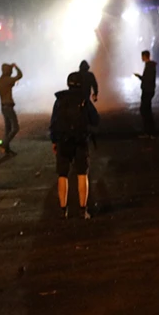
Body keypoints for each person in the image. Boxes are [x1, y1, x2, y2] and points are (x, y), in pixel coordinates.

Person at [49, 72, 99, 219]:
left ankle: (63, 209)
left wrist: (54, 141)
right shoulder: (84, 100)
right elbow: (96, 120)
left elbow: (53, 122)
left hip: (63, 141)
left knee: (62, 175)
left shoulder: (60, 99)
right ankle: (83, 209)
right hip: (80, 141)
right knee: (82, 174)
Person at [0, 63, 23, 155]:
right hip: (8, 106)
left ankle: (7, 149)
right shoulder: (7, 79)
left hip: (3, 107)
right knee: (15, 128)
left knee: (8, 129)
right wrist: (16, 67)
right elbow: (20, 75)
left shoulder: (1, 80)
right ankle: (4, 145)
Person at [134, 50, 157, 138]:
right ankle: (149, 132)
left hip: (147, 90)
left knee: (145, 111)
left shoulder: (149, 66)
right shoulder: (150, 66)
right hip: (148, 90)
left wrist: (139, 77)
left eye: (142, 56)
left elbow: (147, 79)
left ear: (145, 56)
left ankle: (150, 132)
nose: (141, 58)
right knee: (146, 110)